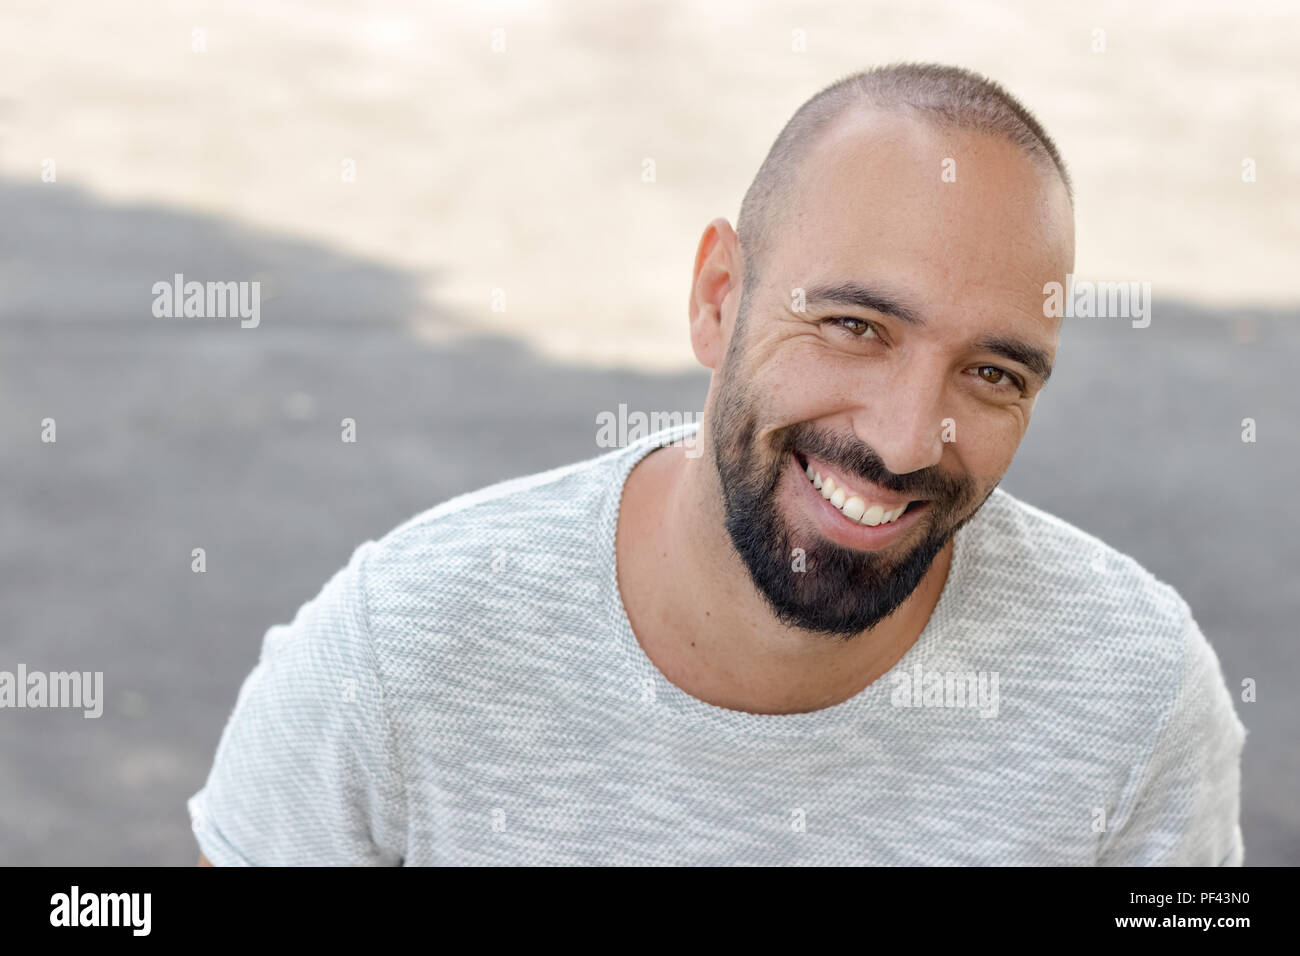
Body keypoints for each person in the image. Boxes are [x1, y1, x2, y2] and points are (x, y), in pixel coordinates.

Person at [189, 63, 1245, 866]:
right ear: (718, 297)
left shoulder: (1134, 698)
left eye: (994, 374)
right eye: (854, 325)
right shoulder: (395, 657)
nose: (903, 438)